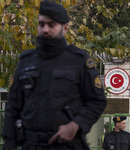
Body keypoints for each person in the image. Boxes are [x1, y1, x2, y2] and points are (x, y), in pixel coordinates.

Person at [2, 1, 107, 150]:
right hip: (31, 145)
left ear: (64, 28)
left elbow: (97, 101)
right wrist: (9, 142)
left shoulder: (79, 61)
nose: (45, 29)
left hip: (67, 145)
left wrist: (76, 125)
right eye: (41, 24)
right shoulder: (26, 61)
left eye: (51, 25)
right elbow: (13, 106)